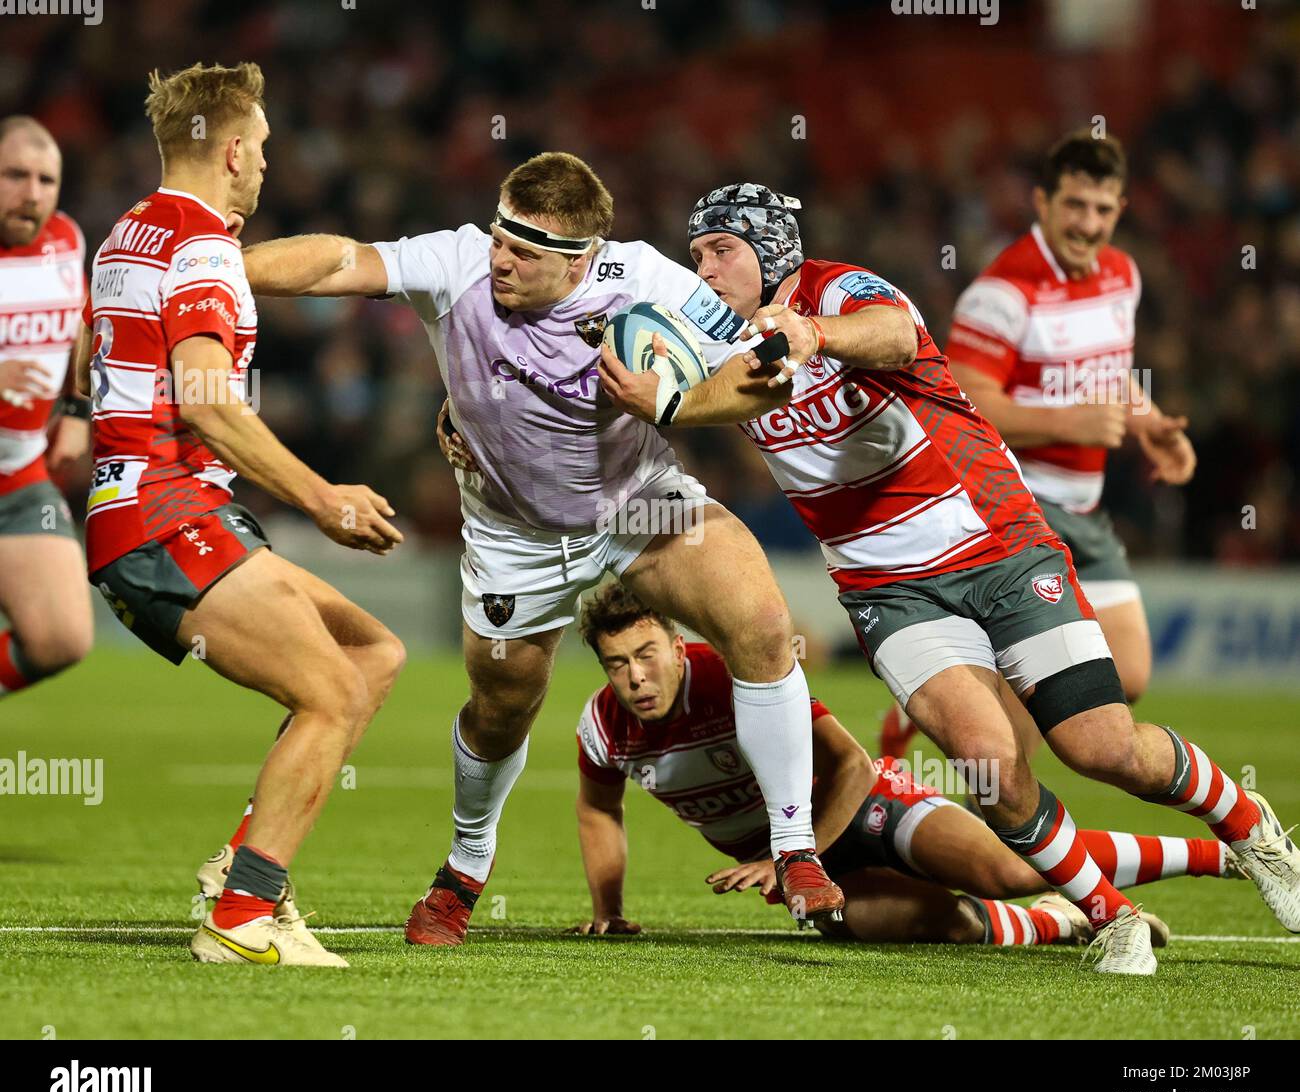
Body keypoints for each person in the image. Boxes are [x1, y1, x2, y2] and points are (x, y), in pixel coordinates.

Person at [595, 181, 1300, 974]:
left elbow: (895, 337)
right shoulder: (712, 340)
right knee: (987, 767)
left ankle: (1250, 827)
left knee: (1102, 748)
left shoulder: (844, 291)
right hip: (886, 591)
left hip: (996, 545)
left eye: (722, 249)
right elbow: (673, 393)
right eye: (697, 255)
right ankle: (1110, 914)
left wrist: (813, 335)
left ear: (772, 250)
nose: (707, 268)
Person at [237, 152, 843, 945]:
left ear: (583, 259)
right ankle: (465, 865)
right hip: (512, 535)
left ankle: (795, 849)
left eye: (525, 253)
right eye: (498, 238)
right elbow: (341, 261)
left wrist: (675, 401)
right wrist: (215, 270)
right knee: (499, 711)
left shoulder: (647, 281)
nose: (500, 261)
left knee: (763, 625)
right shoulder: (458, 263)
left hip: (636, 507)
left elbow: (766, 372)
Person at [84, 62, 405, 967]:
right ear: (231, 151)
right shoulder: (202, 247)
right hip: (167, 514)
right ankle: (240, 919)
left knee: (371, 653)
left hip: (146, 509)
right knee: (332, 693)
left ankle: (241, 861)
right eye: (259, 148)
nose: (264, 163)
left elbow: (96, 369)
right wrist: (324, 496)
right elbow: (208, 403)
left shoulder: (127, 234)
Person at [570, 583, 1252, 949]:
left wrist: (789, 854)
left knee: (1007, 868)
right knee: (937, 927)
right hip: (799, 870)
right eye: (618, 663)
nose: (636, 677)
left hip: (864, 806)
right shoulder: (603, 728)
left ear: (680, 647)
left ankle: (1223, 855)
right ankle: (1064, 922)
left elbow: (852, 765)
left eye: (647, 653)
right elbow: (598, 808)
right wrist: (610, 911)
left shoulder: (735, 678)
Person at [934, 128, 1193, 760]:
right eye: (1074, 205)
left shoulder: (1122, 276)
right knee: (1032, 703)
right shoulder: (1001, 292)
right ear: (1041, 202)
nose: (1087, 223)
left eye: (1102, 209)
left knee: (1127, 674)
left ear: (1120, 211)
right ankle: (1013, 835)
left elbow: (1109, 374)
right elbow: (961, 409)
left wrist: (1148, 423)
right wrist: (1071, 423)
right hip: (1011, 506)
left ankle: (942, 703)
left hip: (1084, 508)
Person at [0, 116, 93, 699]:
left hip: (18, 476)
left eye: (45, 179)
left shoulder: (66, 241)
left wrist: (78, 411)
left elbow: (85, 328)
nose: (32, 193)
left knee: (61, 636)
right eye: (13, 175)